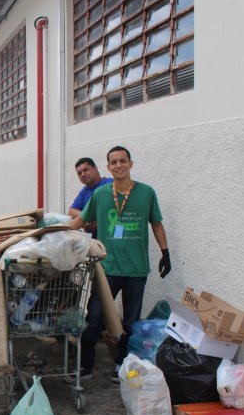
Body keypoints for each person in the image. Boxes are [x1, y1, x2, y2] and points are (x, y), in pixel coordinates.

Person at [69, 146, 171, 382]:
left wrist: (165, 253)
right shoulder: (101, 194)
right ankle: (85, 367)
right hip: (107, 269)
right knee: (93, 318)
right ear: (108, 167)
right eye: (113, 162)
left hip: (136, 270)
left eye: (122, 161)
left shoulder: (146, 193)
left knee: (131, 322)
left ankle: (122, 365)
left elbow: (156, 223)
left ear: (130, 164)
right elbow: (81, 220)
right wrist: (55, 234)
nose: (118, 165)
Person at [67, 157, 112, 238]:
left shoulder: (110, 184)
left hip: (112, 237)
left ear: (95, 169)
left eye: (85, 170)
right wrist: (88, 217)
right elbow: (71, 211)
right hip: (93, 241)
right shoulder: (85, 191)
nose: (83, 174)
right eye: (79, 173)